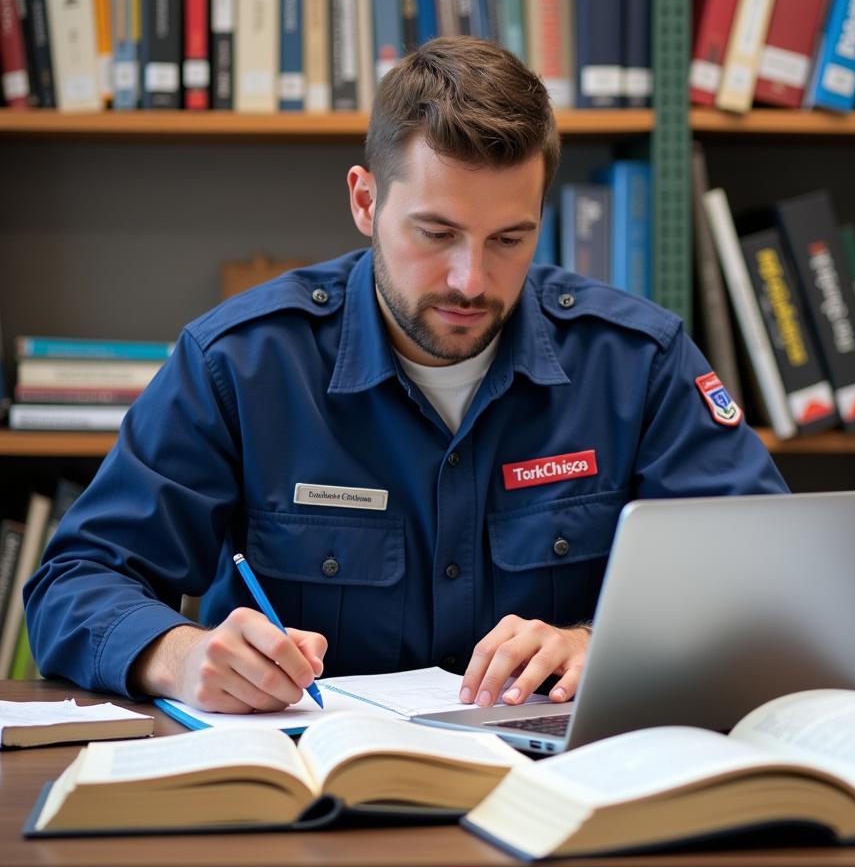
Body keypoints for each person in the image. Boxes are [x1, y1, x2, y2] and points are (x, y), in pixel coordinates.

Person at [25, 37, 787, 715]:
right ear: (365, 200)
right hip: (315, 794)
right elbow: (76, 580)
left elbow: (768, 574)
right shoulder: (244, 363)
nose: (470, 279)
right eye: (437, 232)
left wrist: (608, 642)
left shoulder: (635, 361)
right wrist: (180, 656)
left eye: (509, 239)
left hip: (563, 788)